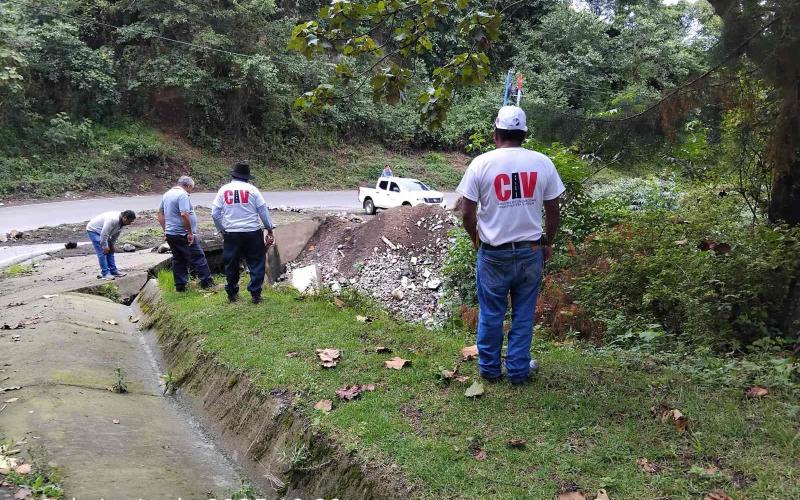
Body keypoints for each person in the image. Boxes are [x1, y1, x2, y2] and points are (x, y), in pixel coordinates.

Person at [456, 105, 565, 385]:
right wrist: (548, 244)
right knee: (524, 314)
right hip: (531, 251)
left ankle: (490, 370)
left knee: (491, 313)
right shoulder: (542, 163)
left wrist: (476, 240)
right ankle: (518, 370)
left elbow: (467, 213)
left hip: (493, 253)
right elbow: (553, 212)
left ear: (496, 133)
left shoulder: (480, 164)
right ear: (524, 134)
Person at [211, 161, 275, 304]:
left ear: (233, 176)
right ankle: (255, 295)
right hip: (252, 232)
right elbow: (263, 212)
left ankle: (232, 294)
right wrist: (269, 229)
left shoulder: (223, 190)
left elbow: (215, 214)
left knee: (231, 263)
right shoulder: (253, 190)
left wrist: (222, 229)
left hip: (231, 233)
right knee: (256, 262)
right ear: (247, 177)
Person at [158, 176, 214, 292]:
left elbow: (160, 213)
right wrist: (189, 232)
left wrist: (166, 230)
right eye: (191, 188)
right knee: (199, 257)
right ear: (188, 186)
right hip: (182, 233)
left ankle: (180, 286)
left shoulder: (167, 194)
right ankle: (207, 283)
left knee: (178, 259)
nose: (190, 191)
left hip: (171, 234)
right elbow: (184, 214)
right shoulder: (182, 195)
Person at [86, 210, 137, 280]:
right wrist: (105, 246)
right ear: (125, 218)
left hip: (105, 233)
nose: (130, 223)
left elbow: (115, 235)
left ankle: (113, 271)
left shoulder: (122, 222)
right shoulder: (113, 220)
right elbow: (104, 234)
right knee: (102, 252)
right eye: (130, 221)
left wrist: (111, 245)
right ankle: (105, 273)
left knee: (111, 250)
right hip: (94, 230)